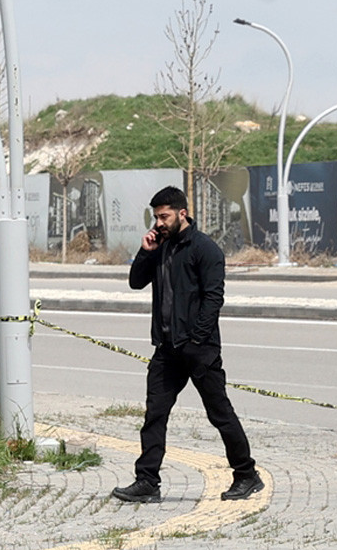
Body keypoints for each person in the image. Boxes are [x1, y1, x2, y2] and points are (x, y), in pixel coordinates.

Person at [111, 186, 263, 503]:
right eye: (156, 217)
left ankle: (247, 475)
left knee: (220, 413)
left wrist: (196, 338)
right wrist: (145, 251)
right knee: (155, 415)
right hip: (166, 350)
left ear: (182, 213)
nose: (159, 223)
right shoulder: (161, 246)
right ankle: (147, 481)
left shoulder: (205, 249)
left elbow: (213, 298)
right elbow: (136, 282)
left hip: (199, 349)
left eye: (164, 216)